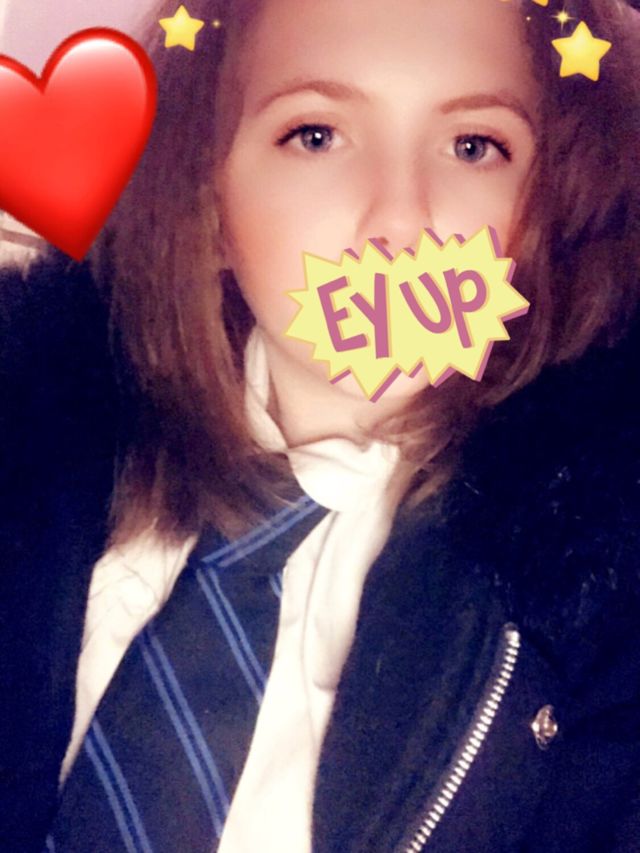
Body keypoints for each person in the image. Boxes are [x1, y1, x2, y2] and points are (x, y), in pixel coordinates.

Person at [1, 0, 640, 850]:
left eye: (474, 145)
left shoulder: (605, 608)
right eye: (316, 134)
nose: (402, 218)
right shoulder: (31, 449)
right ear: (208, 203)